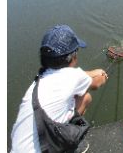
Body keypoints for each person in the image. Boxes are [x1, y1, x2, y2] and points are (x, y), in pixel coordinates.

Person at [10, 24, 108, 152]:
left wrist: (93, 72)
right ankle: (70, 145)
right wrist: (101, 74)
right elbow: (97, 83)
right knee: (86, 97)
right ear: (73, 57)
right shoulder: (73, 76)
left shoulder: (41, 79)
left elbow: (77, 76)